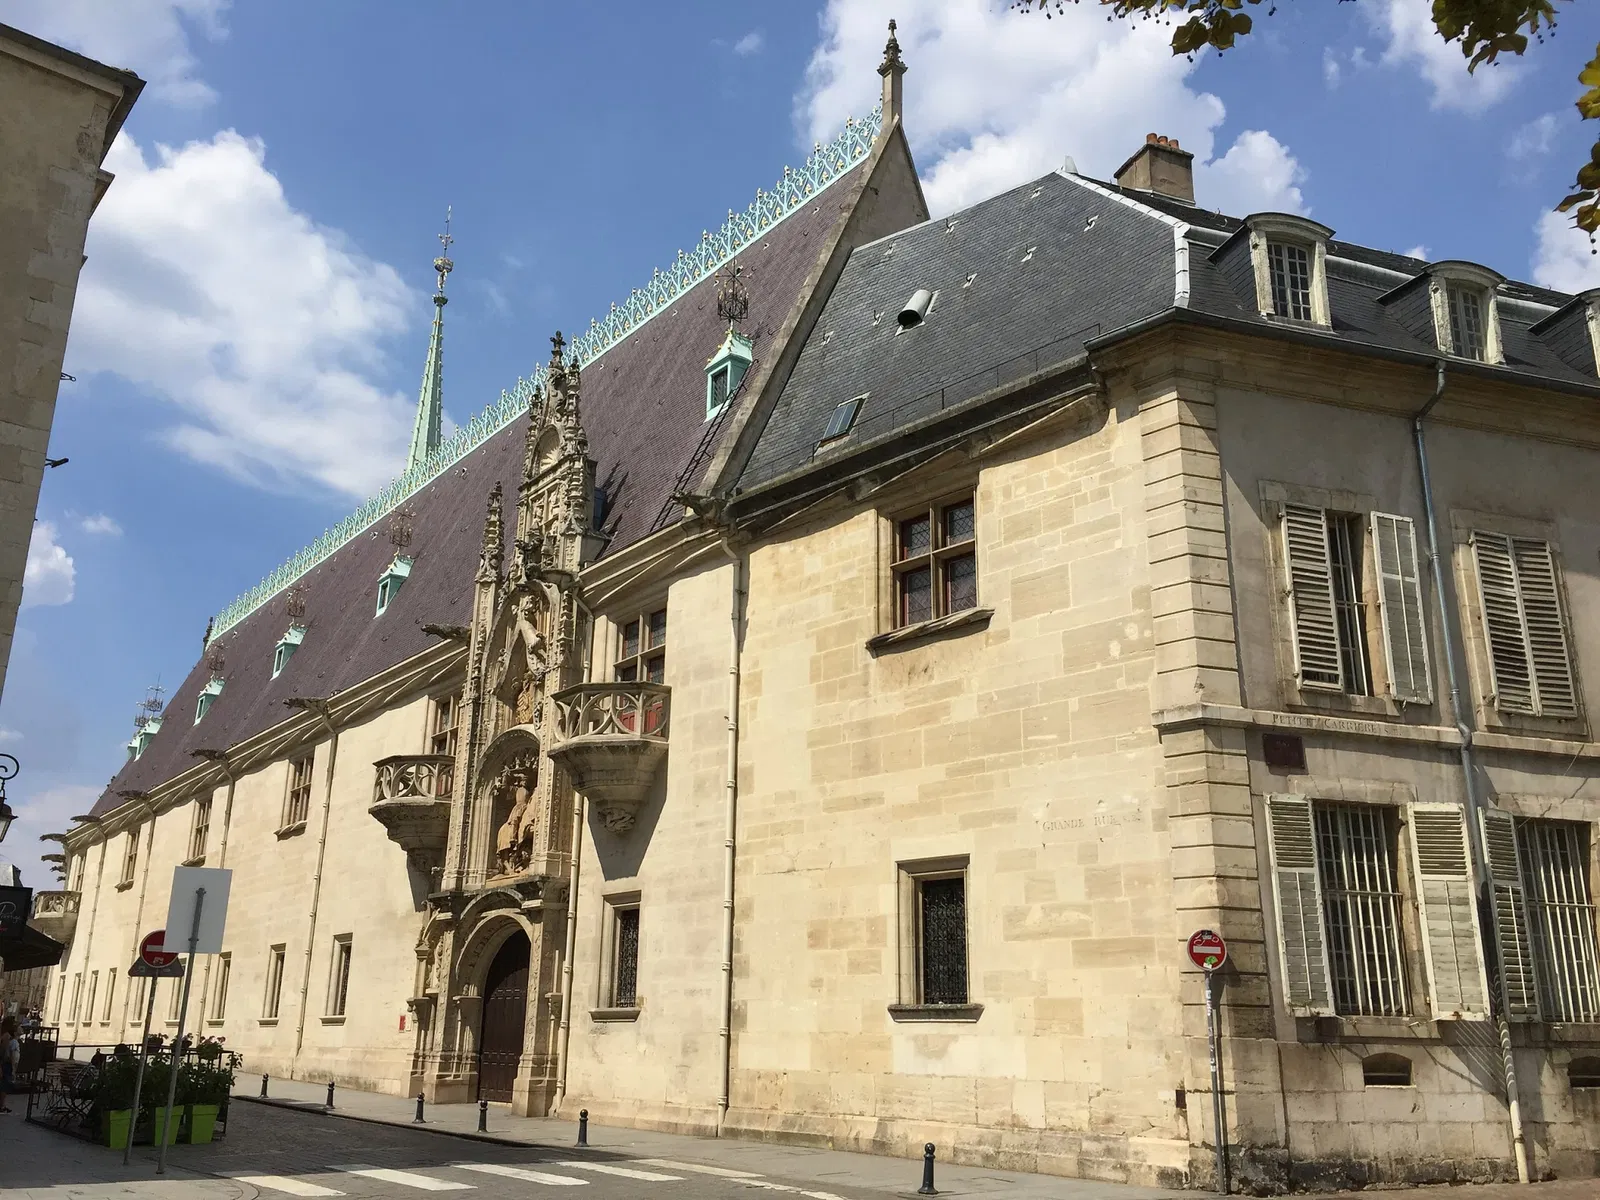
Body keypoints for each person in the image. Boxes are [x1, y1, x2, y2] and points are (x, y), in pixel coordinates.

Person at [0, 1016, 19, 1113]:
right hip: (6, 1064)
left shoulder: (5, 1035)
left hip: (4, 1063)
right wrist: (13, 1068)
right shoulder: (7, 1036)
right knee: (4, 1086)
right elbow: (8, 1054)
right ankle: (1, 1106)